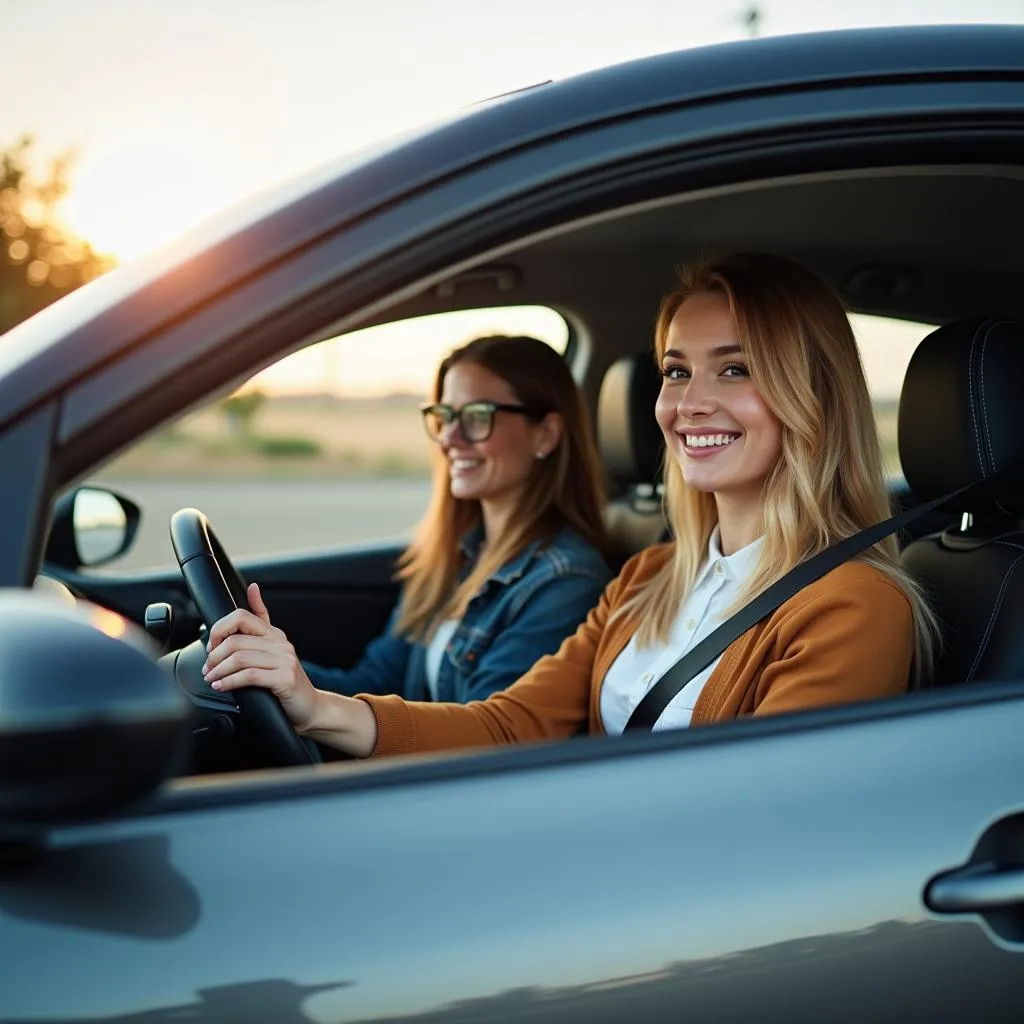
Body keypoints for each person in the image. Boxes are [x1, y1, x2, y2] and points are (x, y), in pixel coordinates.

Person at [203, 253, 937, 758]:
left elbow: (758, 819)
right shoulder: (648, 577)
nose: (689, 402)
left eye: (736, 368)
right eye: (676, 371)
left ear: (812, 396)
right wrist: (311, 704)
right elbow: (515, 722)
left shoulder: (853, 605)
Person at [208, 334, 612, 709]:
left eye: (476, 416)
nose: (450, 438)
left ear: (546, 434)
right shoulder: (455, 555)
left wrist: (310, 699)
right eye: (444, 415)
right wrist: (270, 666)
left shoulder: (565, 582)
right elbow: (375, 681)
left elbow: (488, 739)